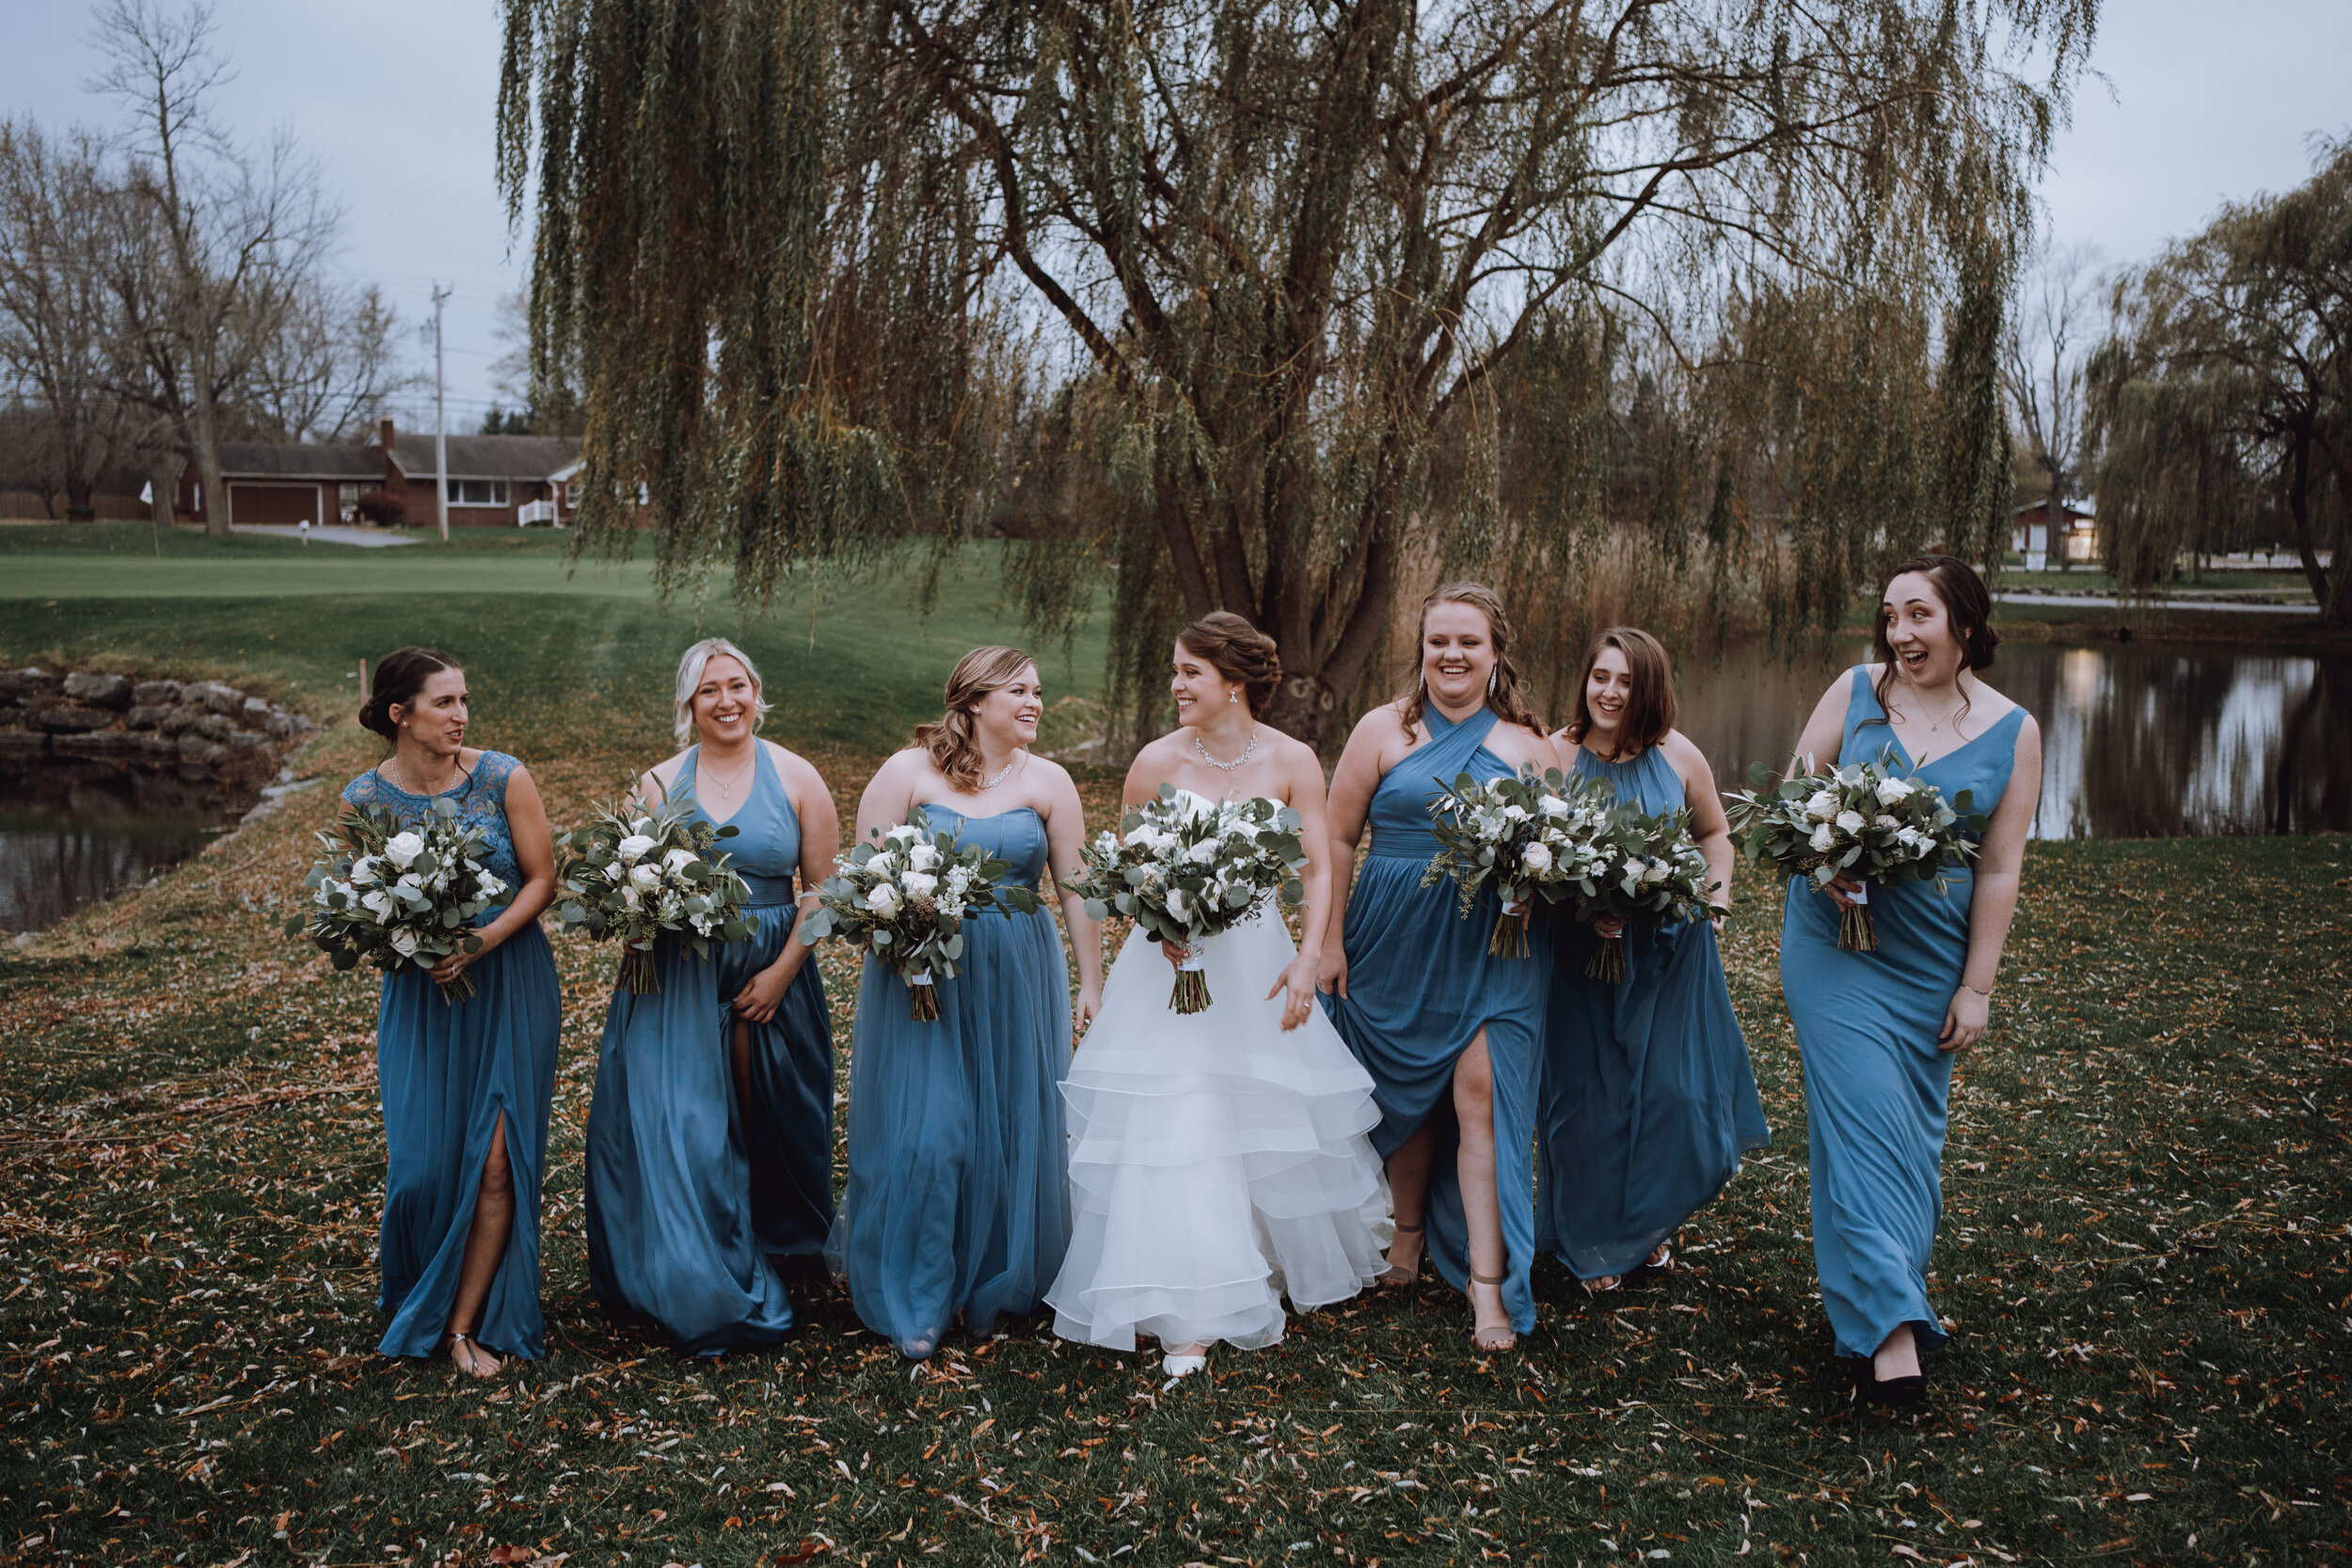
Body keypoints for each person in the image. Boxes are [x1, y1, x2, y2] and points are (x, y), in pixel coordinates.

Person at [1046, 613, 1387, 1379]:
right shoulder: (1154, 763)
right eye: (1175, 670)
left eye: (1189, 673)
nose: (1176, 685)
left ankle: (1245, 1265)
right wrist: (1155, 919)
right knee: (1177, 1116)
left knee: (1251, 1115)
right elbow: (1126, 870)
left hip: (1256, 964)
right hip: (1164, 971)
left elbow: (1316, 869)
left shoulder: (1294, 759)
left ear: (1233, 681)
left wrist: (1308, 957)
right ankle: (1187, 1308)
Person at [1779, 554, 2041, 1407]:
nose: (1899, 634)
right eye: (1890, 615)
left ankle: (1874, 1292)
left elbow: (1999, 870)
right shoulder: (1857, 690)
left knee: (1907, 1141)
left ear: (1964, 621)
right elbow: (1794, 791)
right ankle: (1891, 1335)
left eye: (1918, 615)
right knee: (1859, 1121)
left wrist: (1979, 986)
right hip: (1832, 944)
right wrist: (1822, 865)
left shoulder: (2015, 730)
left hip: (1931, 958)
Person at [827, 646, 1104, 1358]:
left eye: (1039, 690)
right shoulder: (907, 772)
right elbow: (864, 880)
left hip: (1017, 971)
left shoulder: (1051, 782)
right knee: (931, 1129)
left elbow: (1075, 889)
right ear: (975, 700)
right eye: (1020, 690)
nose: (1036, 702)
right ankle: (918, 1291)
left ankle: (989, 1285)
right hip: (922, 974)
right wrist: (903, 948)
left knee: (1008, 1124)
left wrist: (1092, 982)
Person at [582, 638, 837, 1352]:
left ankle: (780, 1246)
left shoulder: (797, 776)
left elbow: (822, 890)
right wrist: (632, 922)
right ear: (687, 705)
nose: (726, 701)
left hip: (770, 966)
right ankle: (693, 1267)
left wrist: (785, 970)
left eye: (737, 686)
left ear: (757, 691)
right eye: (708, 691)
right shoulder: (659, 784)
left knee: (774, 1118)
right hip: (680, 973)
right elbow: (627, 882)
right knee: (687, 1123)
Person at [1320, 582, 1557, 1352]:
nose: (1451, 655)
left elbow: (1558, 852)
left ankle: (1490, 1287)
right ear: (1421, 649)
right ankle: (1407, 1234)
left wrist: (1533, 893)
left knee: (1481, 1094)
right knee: (1405, 1091)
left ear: (1496, 654)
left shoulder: (1530, 744)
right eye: (1437, 641)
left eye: (1469, 643)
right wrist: (1327, 939)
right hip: (1391, 935)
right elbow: (1338, 837)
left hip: (1494, 943)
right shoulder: (1382, 730)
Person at [344, 647, 561, 1377]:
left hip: (508, 980)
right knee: (422, 1170)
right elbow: (366, 910)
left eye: (464, 700)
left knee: (498, 1164)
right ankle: (421, 1292)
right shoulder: (363, 800)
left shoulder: (503, 775)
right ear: (399, 713)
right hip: (421, 995)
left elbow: (542, 879)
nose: (461, 715)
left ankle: (464, 1325)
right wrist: (408, 936)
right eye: (444, 702)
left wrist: (483, 938)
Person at [1539, 627, 1768, 1292]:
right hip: (1579, 955)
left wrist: (1714, 902)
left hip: (1671, 949)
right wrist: (1581, 906)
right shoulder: (1554, 752)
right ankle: (1594, 1245)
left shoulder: (1679, 754)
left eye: (1626, 680)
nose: (1610, 691)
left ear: (1650, 688)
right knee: (1585, 1102)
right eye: (1600, 676)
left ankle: (1644, 1229)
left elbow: (1714, 833)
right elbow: (1534, 846)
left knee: (1676, 1094)